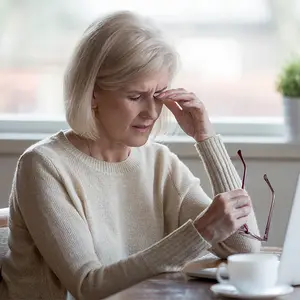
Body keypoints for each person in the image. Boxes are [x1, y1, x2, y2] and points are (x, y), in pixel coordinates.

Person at [0, 10, 260, 300]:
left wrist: (206, 137)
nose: (151, 112)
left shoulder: (160, 163)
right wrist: (199, 233)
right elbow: (89, 286)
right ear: (93, 93)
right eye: (135, 96)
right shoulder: (43, 166)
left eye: (159, 95)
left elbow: (245, 247)